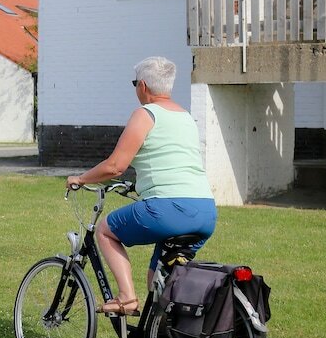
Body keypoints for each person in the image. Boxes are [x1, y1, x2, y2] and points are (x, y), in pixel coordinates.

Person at [66, 57, 217, 316]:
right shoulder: (186, 117)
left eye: (135, 83)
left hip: (169, 210)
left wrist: (80, 179)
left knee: (105, 231)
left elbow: (115, 166)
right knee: (155, 280)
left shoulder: (145, 115)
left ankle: (126, 298)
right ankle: (162, 335)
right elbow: (171, 163)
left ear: (143, 86)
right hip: (205, 212)